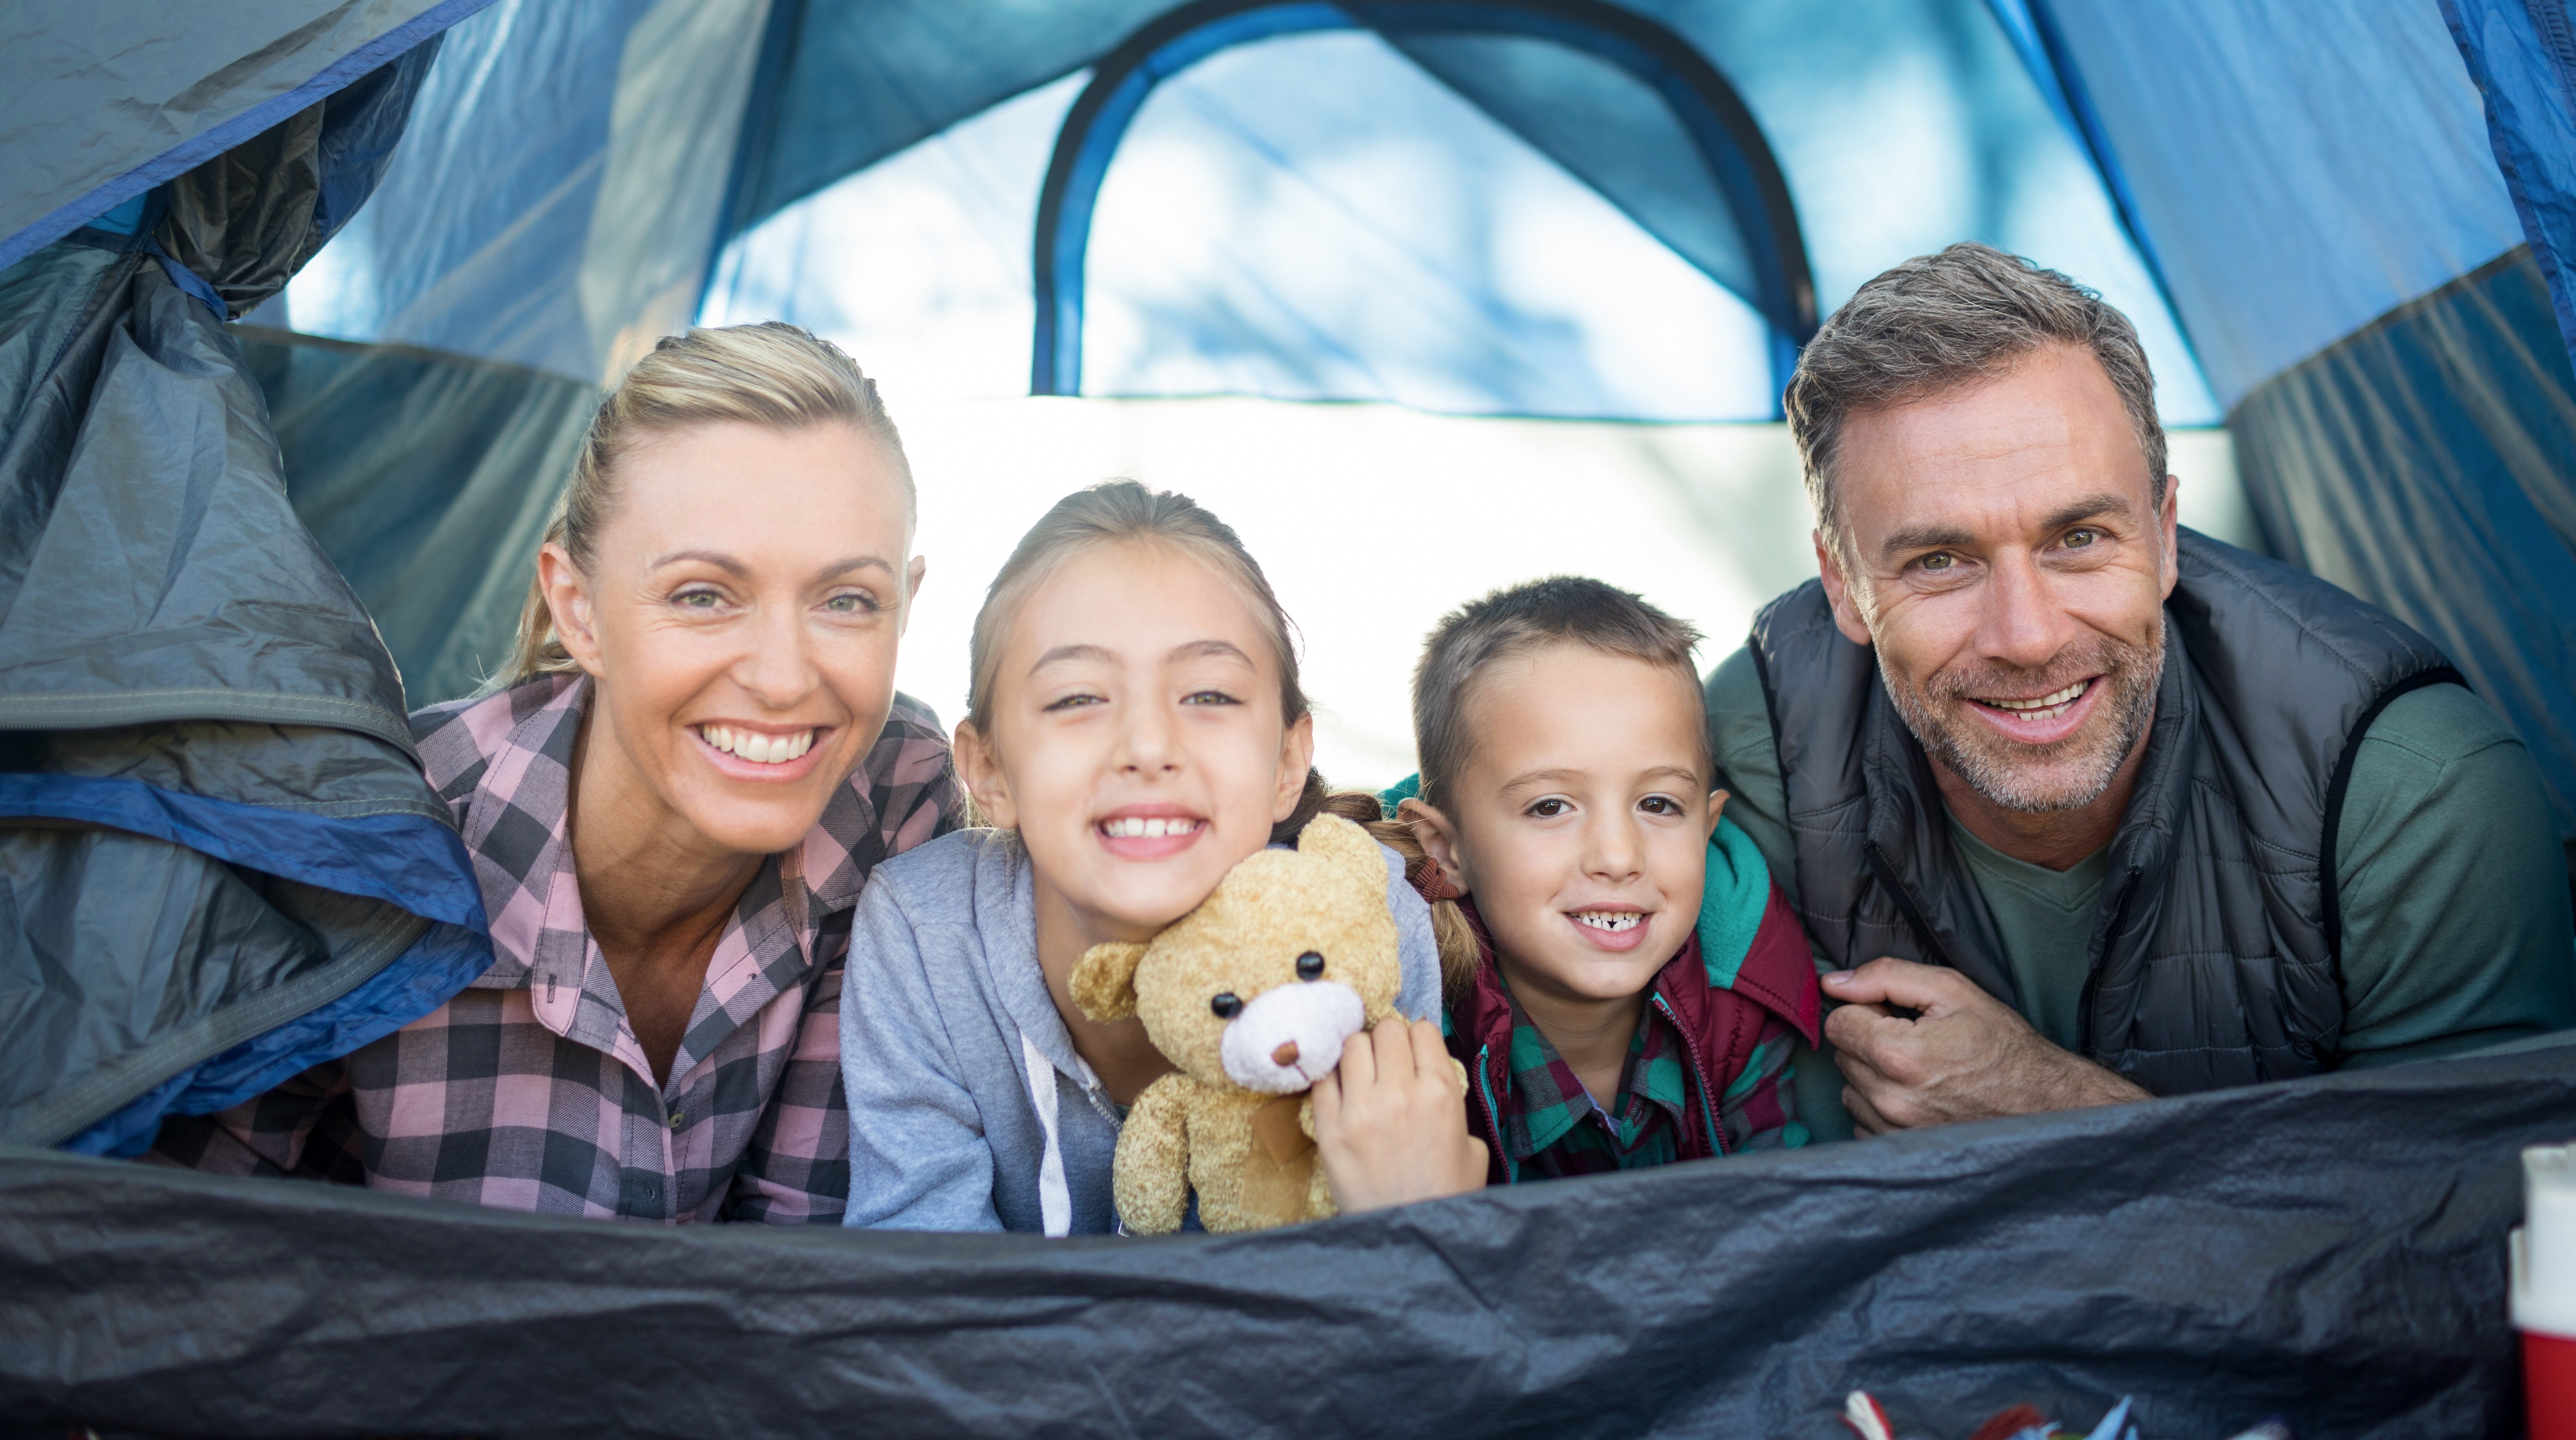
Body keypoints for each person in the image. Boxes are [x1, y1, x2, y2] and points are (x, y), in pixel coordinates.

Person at [1705, 244, 2576, 1139]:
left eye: (2078, 537)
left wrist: (2055, 1109)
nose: (2029, 634)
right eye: (1940, 560)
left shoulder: (2412, 785)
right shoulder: (1749, 755)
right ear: (1843, 583)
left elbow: (2470, 1220)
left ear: (2165, 535)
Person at [150, 323, 958, 1221]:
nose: (782, 676)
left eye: (847, 600)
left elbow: (806, 1253)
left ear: (906, 607)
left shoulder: (894, 797)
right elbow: (183, 1253)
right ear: (579, 610)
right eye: (702, 595)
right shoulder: (374, 841)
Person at [837, 480, 1484, 1234]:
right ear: (990, 771)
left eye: (1208, 696)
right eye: (1077, 698)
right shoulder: (925, 931)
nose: (1148, 747)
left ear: (1287, 764)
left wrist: (1407, 1224)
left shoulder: (1364, 923)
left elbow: (1388, 1282)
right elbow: (922, 1295)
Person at [1388, 577, 1820, 1181]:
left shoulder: (1737, 1000)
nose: (1618, 857)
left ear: (1706, 827)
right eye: (1550, 807)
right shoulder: (1408, 1028)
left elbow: (1784, 1218)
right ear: (1447, 850)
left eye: (1660, 805)